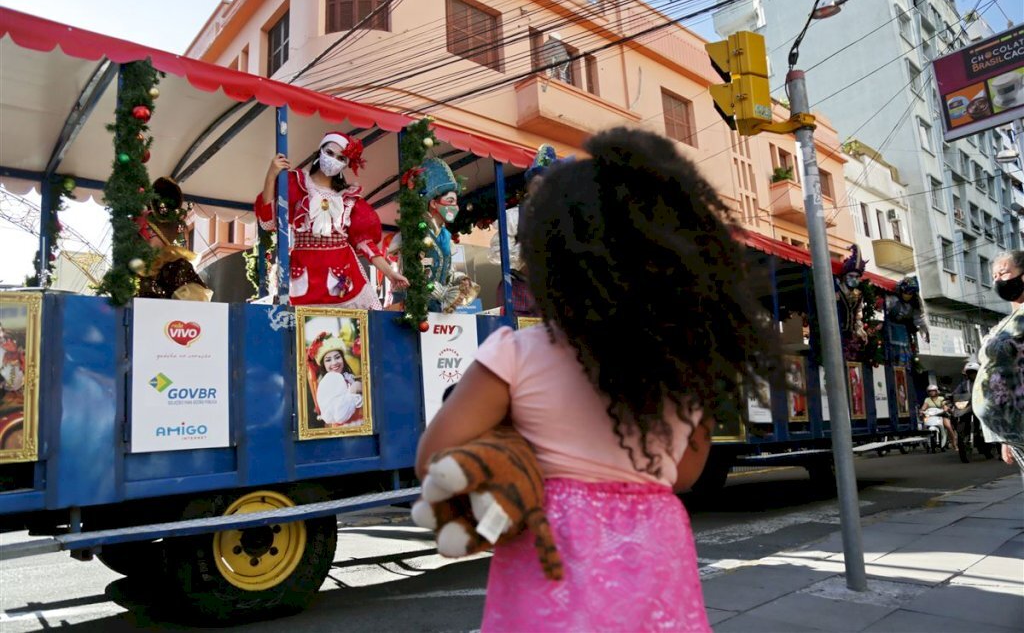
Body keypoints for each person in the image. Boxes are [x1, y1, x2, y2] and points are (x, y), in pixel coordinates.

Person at [416, 127, 779, 631]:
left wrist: (517, 456)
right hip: (654, 562)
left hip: (545, 561)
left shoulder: (516, 352)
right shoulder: (684, 363)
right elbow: (687, 474)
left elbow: (433, 459)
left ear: (548, 256)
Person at [255, 131, 409, 308]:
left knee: (352, 332)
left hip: (343, 273)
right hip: (305, 271)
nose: (333, 159)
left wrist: (390, 273)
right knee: (302, 330)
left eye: (341, 158)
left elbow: (366, 244)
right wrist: (271, 174)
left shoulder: (350, 200)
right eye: (329, 153)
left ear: (346, 165)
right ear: (319, 151)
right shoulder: (295, 184)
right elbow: (268, 221)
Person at [974, 251, 1024, 470]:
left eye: (1003, 273)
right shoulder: (1004, 324)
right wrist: (1003, 435)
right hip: (1016, 434)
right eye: (994, 276)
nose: (997, 280)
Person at [136, 177, 213, 302]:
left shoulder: (177, 266)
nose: (142, 239)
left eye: (147, 232)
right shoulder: (131, 266)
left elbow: (195, 309)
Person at [306, 329, 363, 427]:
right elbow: (340, 416)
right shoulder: (331, 379)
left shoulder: (345, 376)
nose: (334, 363)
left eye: (337, 357)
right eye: (328, 360)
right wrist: (354, 389)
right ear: (323, 364)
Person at [919, 384, 955, 449]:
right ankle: (926, 442)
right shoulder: (927, 399)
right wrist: (922, 411)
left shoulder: (941, 398)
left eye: (933, 391)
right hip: (931, 416)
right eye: (930, 391)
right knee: (924, 426)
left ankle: (954, 442)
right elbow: (924, 406)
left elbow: (944, 405)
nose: (932, 392)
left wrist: (945, 408)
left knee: (948, 426)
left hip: (941, 415)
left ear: (936, 391)